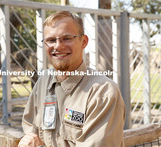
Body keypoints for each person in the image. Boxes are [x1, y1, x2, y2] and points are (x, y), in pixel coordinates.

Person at [18, 11, 125, 147]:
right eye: (51, 40)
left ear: (84, 41)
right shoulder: (43, 82)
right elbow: (30, 127)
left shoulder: (102, 92)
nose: (57, 46)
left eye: (67, 38)